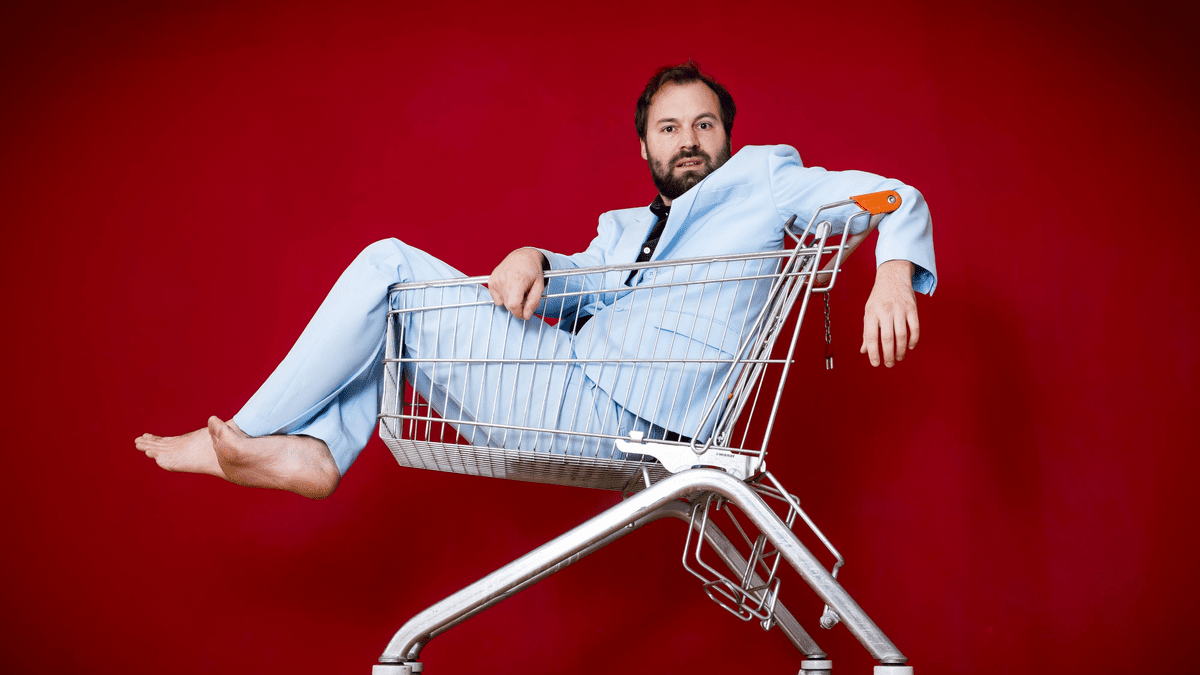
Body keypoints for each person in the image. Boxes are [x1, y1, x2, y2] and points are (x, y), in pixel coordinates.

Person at [135, 62, 936, 500]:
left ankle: (242, 436)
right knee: (397, 301)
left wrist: (892, 271)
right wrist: (537, 259)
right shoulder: (625, 227)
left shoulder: (765, 180)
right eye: (669, 128)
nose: (689, 140)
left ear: (728, 136)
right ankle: (314, 448)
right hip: (569, 382)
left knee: (387, 266)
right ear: (646, 148)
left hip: (622, 414)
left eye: (704, 124)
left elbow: (890, 195)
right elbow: (582, 278)